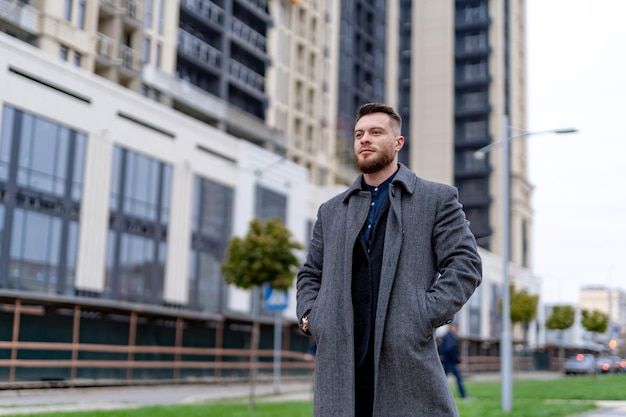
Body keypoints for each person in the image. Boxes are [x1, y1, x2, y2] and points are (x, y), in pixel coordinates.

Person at [296, 103, 482, 417]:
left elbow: (465, 263)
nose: (364, 139)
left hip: (405, 357)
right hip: (341, 362)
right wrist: (312, 319)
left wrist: (422, 314)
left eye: (375, 132)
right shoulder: (331, 211)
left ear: (398, 143)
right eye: (359, 134)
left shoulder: (435, 199)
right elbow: (310, 273)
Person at [439, 322, 468, 399]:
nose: (456, 329)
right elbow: (449, 349)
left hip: (448, 361)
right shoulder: (449, 337)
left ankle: (440, 395)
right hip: (450, 361)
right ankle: (463, 395)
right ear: (452, 327)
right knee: (457, 379)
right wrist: (457, 359)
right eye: (455, 328)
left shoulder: (448, 336)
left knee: (443, 379)